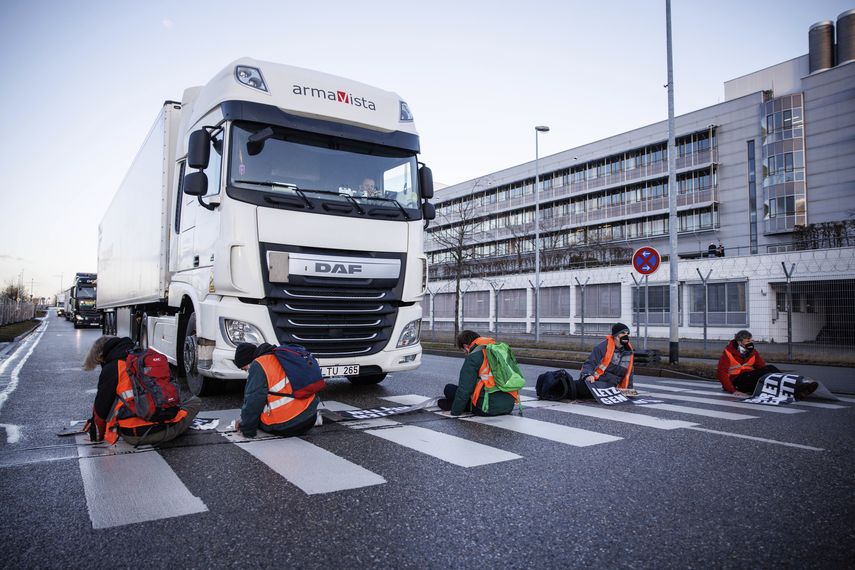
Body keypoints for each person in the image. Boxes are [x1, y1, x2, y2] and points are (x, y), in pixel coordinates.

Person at [82, 336, 200, 445]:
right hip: (166, 426)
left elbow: (101, 409)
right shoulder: (144, 359)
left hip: (134, 435)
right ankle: (174, 423)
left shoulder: (112, 368)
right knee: (195, 402)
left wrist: (96, 432)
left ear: (102, 355)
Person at [233, 342, 319, 438]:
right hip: (311, 417)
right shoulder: (280, 356)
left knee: (259, 419)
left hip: (289, 425)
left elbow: (253, 400)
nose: (246, 372)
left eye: (244, 369)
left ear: (248, 362)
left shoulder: (259, 364)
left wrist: (246, 429)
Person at [436, 330, 517, 416]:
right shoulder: (499, 350)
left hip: (487, 409)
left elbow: (465, 389)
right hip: (508, 406)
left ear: (466, 346)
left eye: (463, 351)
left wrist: (455, 412)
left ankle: (460, 407)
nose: (465, 353)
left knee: (448, 390)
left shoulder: (473, 357)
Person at [715, 330, 803, 397]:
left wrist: (769, 373)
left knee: (770, 368)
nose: (750, 343)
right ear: (739, 342)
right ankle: (788, 389)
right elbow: (721, 373)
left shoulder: (753, 352)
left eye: (751, 341)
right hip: (736, 381)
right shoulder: (728, 353)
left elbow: (761, 366)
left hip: (748, 377)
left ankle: (791, 384)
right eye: (747, 341)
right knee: (763, 373)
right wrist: (733, 390)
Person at [578, 322, 636, 396]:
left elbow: (629, 373)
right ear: (615, 335)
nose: (626, 336)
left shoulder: (629, 352)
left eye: (627, 334)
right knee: (576, 389)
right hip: (597, 382)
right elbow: (590, 363)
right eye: (623, 333)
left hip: (612, 387)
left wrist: (629, 389)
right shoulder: (602, 347)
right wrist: (587, 375)